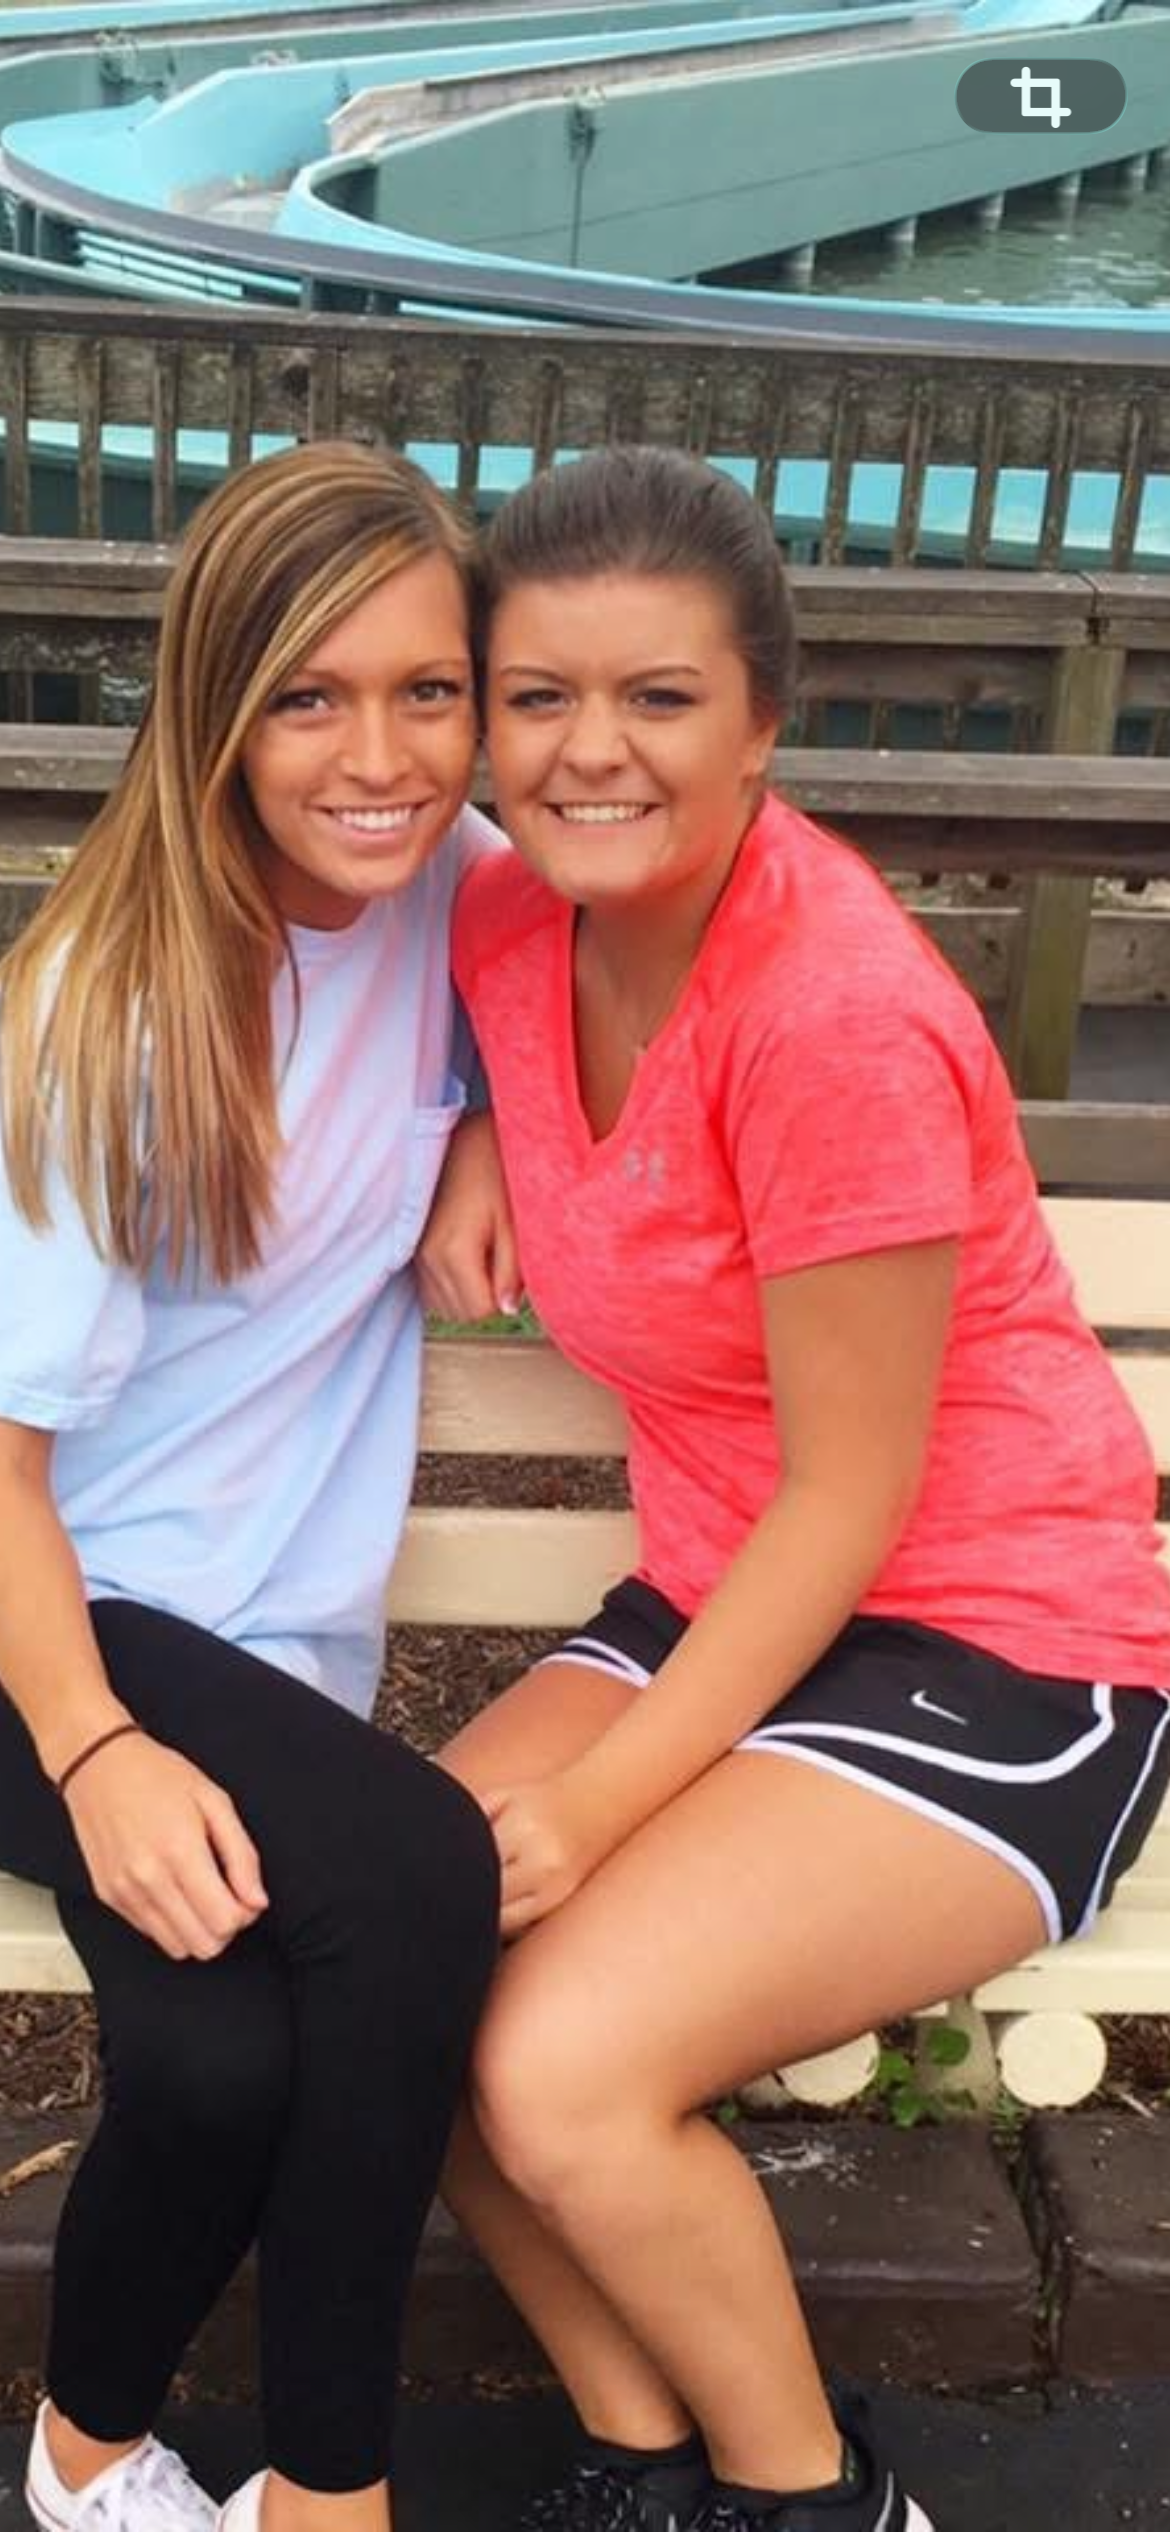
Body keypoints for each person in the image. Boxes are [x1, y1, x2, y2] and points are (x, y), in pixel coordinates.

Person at [430, 445, 1170, 2532]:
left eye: (658, 698)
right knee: (383, 1973)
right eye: (537, 697)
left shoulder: (830, 1015)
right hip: (727, 1599)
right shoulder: (507, 914)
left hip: (998, 1642)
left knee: (556, 2068)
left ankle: (814, 2501)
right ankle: (640, 2460)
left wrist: (595, 1806)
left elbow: (852, 1502)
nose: (589, 751)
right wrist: (481, 1129)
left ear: (765, 719)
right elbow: (438, 993)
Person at [0, 442, 512, 2532]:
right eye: (308, 697)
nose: (379, 759)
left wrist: (484, 1134)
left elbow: (615, 978)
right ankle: (328, 2492)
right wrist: (96, 1749)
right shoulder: (105, 1014)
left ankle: (77, 2463)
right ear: (215, 707)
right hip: (58, 1622)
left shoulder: (461, 882)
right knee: (417, 1875)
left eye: (428, 690)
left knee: (223, 2064)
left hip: (260, 1645)